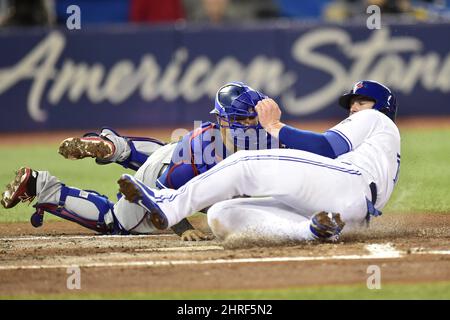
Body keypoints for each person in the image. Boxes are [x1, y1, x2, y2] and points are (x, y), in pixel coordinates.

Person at [116, 80, 400, 242]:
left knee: (244, 164)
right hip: (349, 215)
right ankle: (312, 231)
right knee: (222, 215)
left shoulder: (375, 119)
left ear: (382, 109)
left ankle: (171, 204)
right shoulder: (375, 144)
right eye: (353, 101)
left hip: (348, 184)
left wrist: (274, 125)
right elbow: (316, 159)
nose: (354, 107)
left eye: (362, 101)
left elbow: (324, 147)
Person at [1, 82, 278, 240]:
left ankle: (116, 147)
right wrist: (183, 228)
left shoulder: (256, 134)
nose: (254, 122)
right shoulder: (200, 155)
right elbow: (162, 191)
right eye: (245, 118)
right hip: (161, 179)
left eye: (255, 115)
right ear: (224, 120)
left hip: (172, 155)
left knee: (170, 156)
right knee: (116, 222)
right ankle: (43, 186)